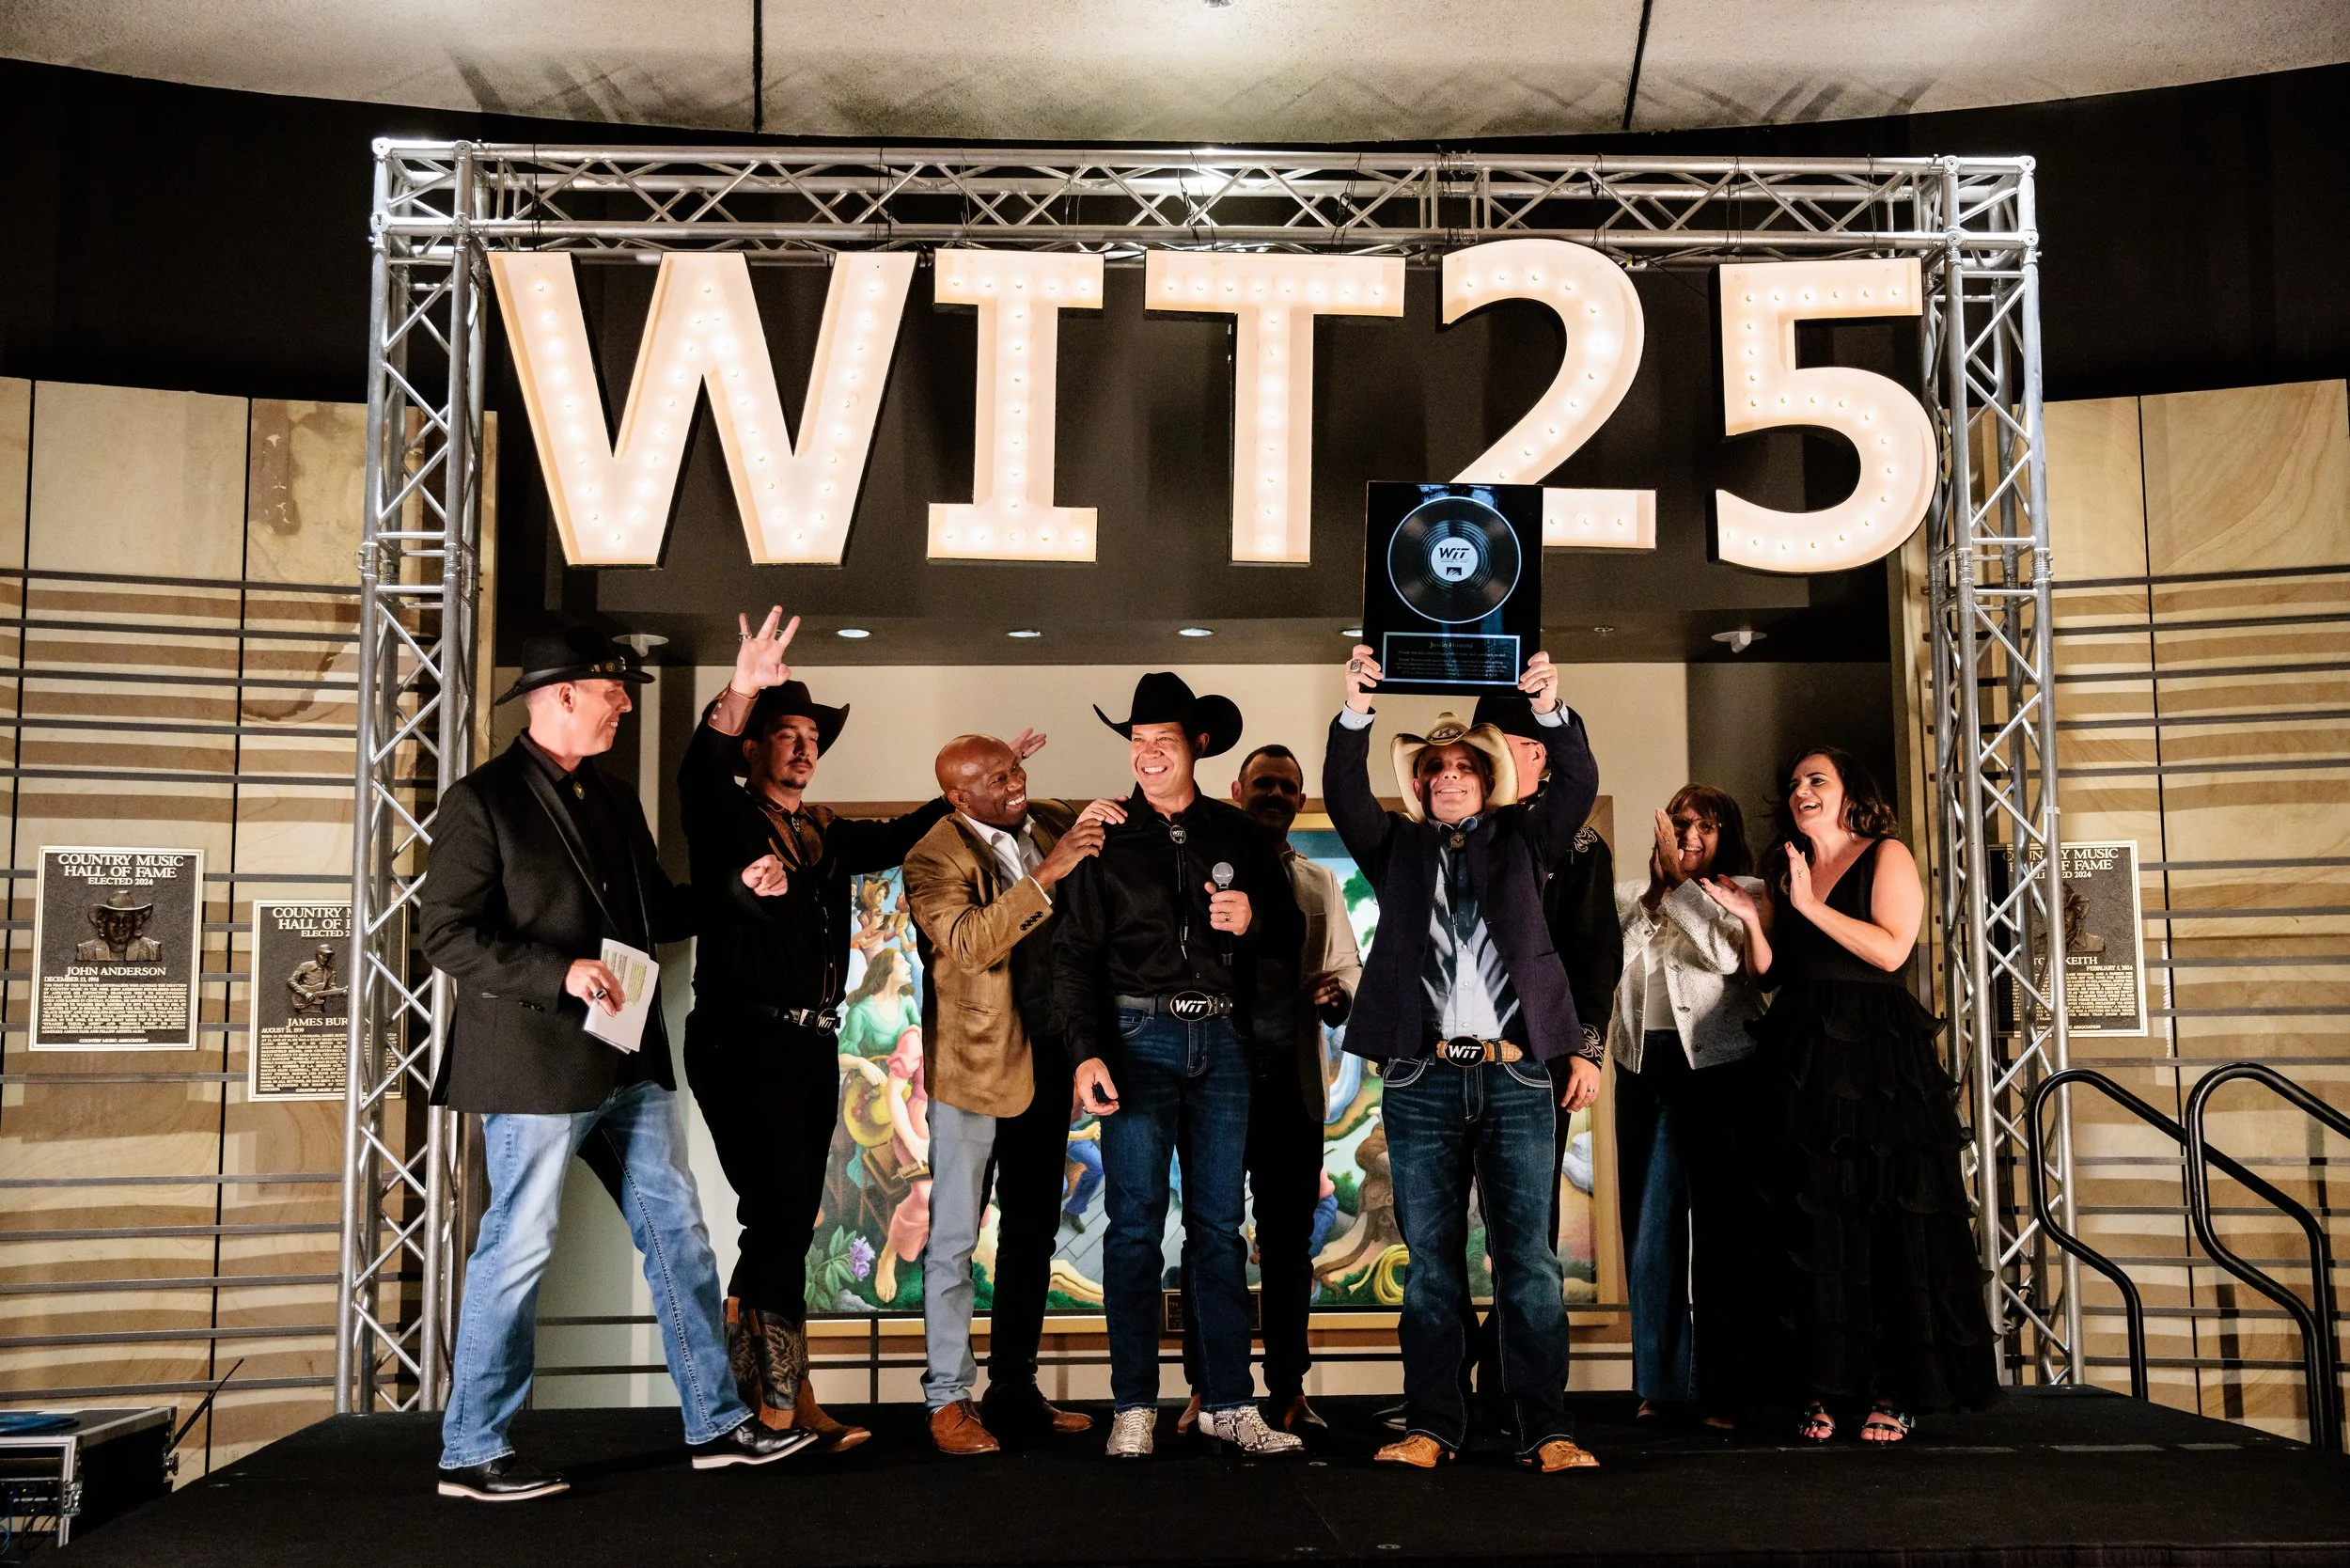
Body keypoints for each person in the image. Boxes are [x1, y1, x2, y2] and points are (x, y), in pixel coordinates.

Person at [420, 624, 809, 1501]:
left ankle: (716, 1425)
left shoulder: (615, 797)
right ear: (561, 695)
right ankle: (470, 1451)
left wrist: (737, 896)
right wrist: (559, 973)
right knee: (516, 1251)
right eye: (612, 691)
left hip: (628, 1061)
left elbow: (662, 912)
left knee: (681, 1239)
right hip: (535, 1070)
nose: (625, 705)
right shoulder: (480, 802)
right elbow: (443, 935)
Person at [677, 607, 953, 1450]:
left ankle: (781, 1397)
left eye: (810, 736)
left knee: (787, 1222)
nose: (802, 747)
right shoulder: (725, 816)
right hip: (740, 1038)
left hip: (807, 1043)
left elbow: (902, 835)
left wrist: (969, 791)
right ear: (753, 748)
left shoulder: (822, 834)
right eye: (784, 734)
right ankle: (771, 1405)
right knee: (778, 1211)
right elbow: (699, 772)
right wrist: (738, 692)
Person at [1324, 644, 1603, 1472]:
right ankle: (1432, 1428)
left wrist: (1553, 708)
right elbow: (1344, 794)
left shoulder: (1529, 843)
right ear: (1419, 785)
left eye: (1462, 767)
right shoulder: (1396, 849)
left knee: (1531, 1266)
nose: (1447, 777)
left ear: (1488, 779)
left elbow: (1579, 784)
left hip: (1518, 1075)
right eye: (1433, 770)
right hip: (1421, 1077)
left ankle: (1546, 1430)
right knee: (1431, 1270)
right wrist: (1354, 712)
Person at [1699, 745, 1998, 1443]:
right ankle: (1822, 1387)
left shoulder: (1884, 854)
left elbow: (1893, 949)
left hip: (1873, 1053)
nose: (1801, 790)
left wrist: (1808, 905)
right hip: (1800, 1051)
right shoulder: (1787, 866)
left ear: (1847, 792)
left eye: (1816, 780)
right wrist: (1753, 914)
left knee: (1879, 1213)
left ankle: (1892, 1391)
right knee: (1812, 1221)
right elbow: (1770, 973)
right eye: (1795, 782)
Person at [1050, 672, 1305, 1459]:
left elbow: (1290, 932)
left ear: (1196, 746)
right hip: (1133, 1043)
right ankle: (1134, 1404)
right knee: (1132, 1231)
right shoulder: (1102, 835)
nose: (1147, 756)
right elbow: (1073, 956)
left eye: (1161, 742)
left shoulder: (1240, 835)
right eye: (1136, 743)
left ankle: (1231, 1402)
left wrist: (1258, 920)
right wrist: (1084, 1052)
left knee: (1219, 1230)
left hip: (1223, 1043)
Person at [901, 732, 1118, 1455]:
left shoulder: (1048, 820)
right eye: (994, 778)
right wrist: (1047, 875)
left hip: (1052, 1060)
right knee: (956, 1239)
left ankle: (1015, 1390)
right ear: (959, 798)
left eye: (1015, 768)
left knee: (1032, 1237)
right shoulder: (933, 855)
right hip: (974, 1072)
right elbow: (967, 943)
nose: (1014, 783)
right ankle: (947, 1398)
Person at [1172, 743, 1364, 1437]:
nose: (1275, 795)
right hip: (1211, 1081)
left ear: (1301, 797)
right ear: (1235, 788)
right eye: (1263, 784)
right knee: (1209, 1239)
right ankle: (1207, 1390)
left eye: (1288, 786)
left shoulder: (1318, 885)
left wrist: (1337, 995)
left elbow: (1348, 973)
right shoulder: (1199, 871)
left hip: (1291, 1081)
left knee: (1289, 1243)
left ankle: (1288, 1390)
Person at [1461, 693, 1622, 1429]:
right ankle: (1459, 1383)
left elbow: (1597, 956)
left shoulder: (1577, 846)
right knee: (1434, 1235)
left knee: (1524, 1238)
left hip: (1534, 1064)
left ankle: (1515, 1395)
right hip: (1444, 1067)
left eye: (1507, 743)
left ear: (1539, 757)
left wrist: (1586, 1051)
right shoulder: (1451, 836)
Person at [1609, 785, 1764, 1425]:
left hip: (1720, 1071)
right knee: (1649, 1233)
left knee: (1723, 1231)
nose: (1692, 837)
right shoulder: (1626, 898)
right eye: (1681, 825)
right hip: (1643, 1068)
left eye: (1707, 826)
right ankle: (1662, 1384)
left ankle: (1727, 1387)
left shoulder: (1746, 891)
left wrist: (1681, 889)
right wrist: (1654, 897)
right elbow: (1606, 968)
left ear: (1726, 834)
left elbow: (1726, 953)